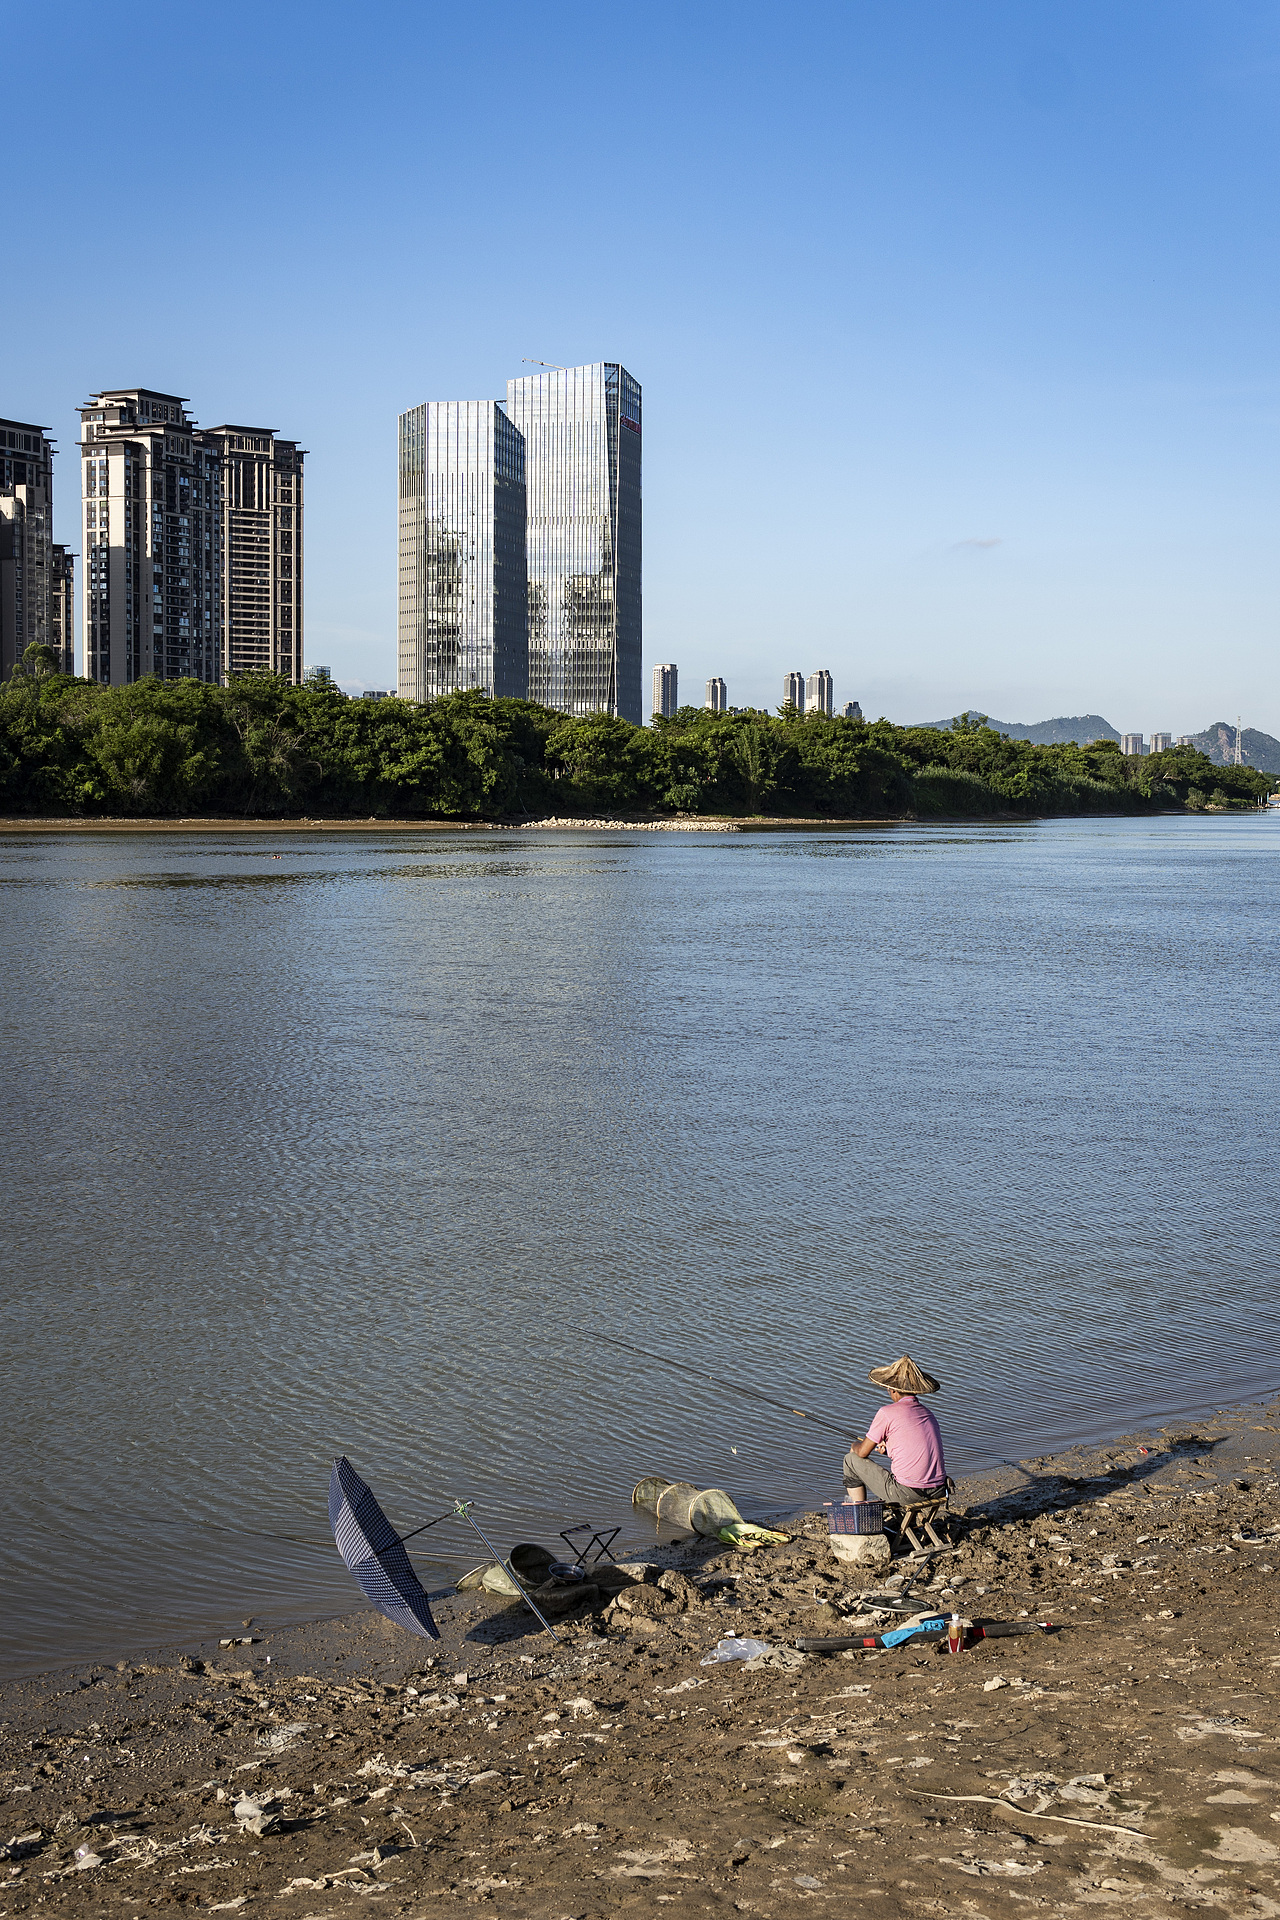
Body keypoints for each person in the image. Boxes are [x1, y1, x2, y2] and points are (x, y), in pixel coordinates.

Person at [843, 1353, 946, 1508]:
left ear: (893, 1389)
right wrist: (888, 1447)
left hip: (908, 1493)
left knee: (850, 1460)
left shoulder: (887, 1413)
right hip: (938, 1490)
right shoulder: (928, 1414)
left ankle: (858, 1513)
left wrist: (854, 1446)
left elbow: (863, 1452)